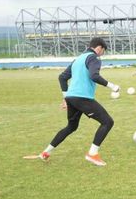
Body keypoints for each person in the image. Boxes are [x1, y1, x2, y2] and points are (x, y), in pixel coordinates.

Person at [28, 37, 120, 166]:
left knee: (71, 127)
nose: (102, 54)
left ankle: (45, 153)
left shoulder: (78, 59)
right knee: (107, 122)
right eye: (103, 51)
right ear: (99, 48)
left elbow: (62, 77)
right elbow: (94, 76)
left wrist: (66, 98)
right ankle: (92, 154)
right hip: (82, 98)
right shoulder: (93, 58)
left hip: (72, 98)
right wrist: (112, 86)